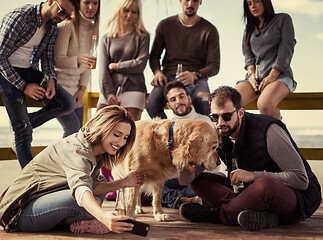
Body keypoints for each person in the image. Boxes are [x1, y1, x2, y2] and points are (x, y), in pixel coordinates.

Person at [179, 86, 321, 231]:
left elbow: (301, 180)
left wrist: (253, 176)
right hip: (250, 194)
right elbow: (184, 181)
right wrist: (188, 170)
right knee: (198, 179)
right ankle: (258, 214)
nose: (220, 123)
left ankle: (218, 215)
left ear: (240, 112)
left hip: (295, 202)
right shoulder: (218, 135)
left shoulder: (269, 131)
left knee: (265, 184)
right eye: (215, 117)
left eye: (226, 116)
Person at [0, 105, 146, 234]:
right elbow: (81, 188)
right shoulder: (77, 149)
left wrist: (124, 182)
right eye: (116, 135)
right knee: (77, 199)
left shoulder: (97, 152)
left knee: (97, 183)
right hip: (19, 214)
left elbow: (92, 186)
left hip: (46, 202)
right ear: (103, 128)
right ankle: (93, 220)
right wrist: (102, 215)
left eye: (126, 137)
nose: (121, 142)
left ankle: (84, 222)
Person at [0, 0, 79, 168]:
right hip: (5, 74)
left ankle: (27, 122)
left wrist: (51, 79)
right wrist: (23, 86)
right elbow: (0, 57)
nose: (63, 17)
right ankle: (30, 182)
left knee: (69, 103)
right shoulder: (20, 17)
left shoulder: (51, 27)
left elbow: (47, 59)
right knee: (22, 131)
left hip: (28, 70)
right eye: (61, 11)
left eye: (67, 15)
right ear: (50, 1)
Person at [146, 0, 220, 119]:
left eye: (195, 0)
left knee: (203, 101)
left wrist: (195, 75)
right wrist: (157, 72)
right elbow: (154, 56)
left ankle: (201, 135)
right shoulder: (165, 25)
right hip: (168, 77)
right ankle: (171, 133)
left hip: (197, 78)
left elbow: (214, 65)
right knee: (152, 103)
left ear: (200, 1)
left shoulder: (210, 30)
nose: (190, 4)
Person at [235, 0, 297, 120]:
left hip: (280, 76)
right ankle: (243, 137)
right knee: (230, 101)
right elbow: (248, 56)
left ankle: (278, 136)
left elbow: (286, 50)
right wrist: (252, 76)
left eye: (257, 1)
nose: (253, 6)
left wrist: (271, 76)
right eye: (249, 3)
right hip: (256, 79)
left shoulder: (283, 19)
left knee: (264, 104)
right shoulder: (249, 28)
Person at [161, 80, 213, 209]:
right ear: (168, 105)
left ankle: (179, 198)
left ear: (189, 98)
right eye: (173, 99)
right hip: (176, 177)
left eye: (181, 96)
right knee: (149, 183)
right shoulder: (166, 126)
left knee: (204, 188)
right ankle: (183, 199)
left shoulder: (204, 121)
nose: (178, 101)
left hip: (201, 176)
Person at [97, 0, 149, 121]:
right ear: (119, 11)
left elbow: (140, 64)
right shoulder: (106, 38)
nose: (129, 15)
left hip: (134, 89)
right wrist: (109, 94)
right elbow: (103, 70)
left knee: (130, 132)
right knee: (97, 128)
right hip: (110, 90)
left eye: (134, 12)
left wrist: (116, 66)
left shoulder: (143, 37)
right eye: (126, 10)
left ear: (138, 14)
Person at [54, 0, 100, 138]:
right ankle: (23, 127)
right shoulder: (67, 25)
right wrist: (78, 60)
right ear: (78, 4)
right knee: (72, 128)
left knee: (78, 134)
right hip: (59, 87)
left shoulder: (94, 30)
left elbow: (89, 65)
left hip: (76, 91)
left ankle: (65, 160)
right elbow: (57, 60)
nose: (91, 7)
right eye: (86, 2)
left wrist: (82, 90)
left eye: (95, 3)